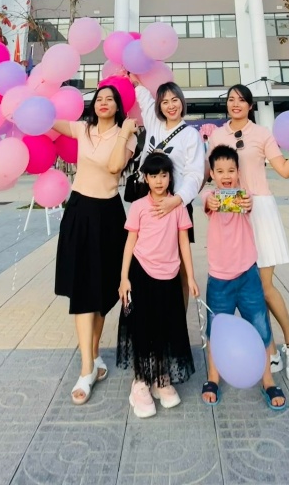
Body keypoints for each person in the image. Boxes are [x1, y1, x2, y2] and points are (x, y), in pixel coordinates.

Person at [206, 84, 289, 380]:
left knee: (263, 286)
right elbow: (208, 174)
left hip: (259, 210)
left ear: (250, 106)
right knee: (247, 289)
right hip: (230, 214)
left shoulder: (261, 134)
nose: (235, 104)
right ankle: (269, 352)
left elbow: (284, 169)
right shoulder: (217, 135)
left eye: (241, 100)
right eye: (231, 99)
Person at [54, 84, 138, 405]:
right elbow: (47, 121)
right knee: (81, 289)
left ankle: (94, 354)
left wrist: (124, 131)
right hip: (79, 211)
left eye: (110, 99)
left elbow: (115, 167)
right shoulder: (82, 129)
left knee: (102, 291)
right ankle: (86, 368)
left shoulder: (127, 136)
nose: (103, 103)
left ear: (118, 106)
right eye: (99, 99)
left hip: (109, 215)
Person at [201, 145, 288, 411]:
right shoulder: (210, 197)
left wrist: (246, 203)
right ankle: (213, 378)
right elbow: (207, 201)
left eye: (231, 170)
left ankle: (268, 380)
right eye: (219, 171)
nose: (226, 175)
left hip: (248, 274)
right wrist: (211, 200)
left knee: (260, 325)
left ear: (238, 172)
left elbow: (248, 204)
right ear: (212, 174)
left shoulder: (244, 196)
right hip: (219, 279)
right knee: (216, 329)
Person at [117, 151, 199, 418]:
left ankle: (161, 378)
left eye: (164, 175)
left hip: (170, 275)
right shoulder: (139, 206)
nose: (160, 181)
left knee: (166, 326)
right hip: (141, 273)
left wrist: (191, 276)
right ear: (146, 178)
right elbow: (130, 242)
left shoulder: (178, 207)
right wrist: (124, 278)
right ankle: (140, 382)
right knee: (143, 326)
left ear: (170, 178)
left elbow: (184, 242)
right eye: (154, 176)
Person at [131, 78, 205, 305]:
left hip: (176, 204)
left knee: (178, 262)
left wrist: (177, 201)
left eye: (175, 100)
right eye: (165, 102)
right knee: (144, 255)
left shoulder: (190, 134)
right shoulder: (154, 123)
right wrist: (136, 83)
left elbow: (195, 174)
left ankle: (177, 316)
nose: (171, 106)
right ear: (159, 106)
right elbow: (145, 100)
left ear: (182, 102)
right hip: (147, 201)